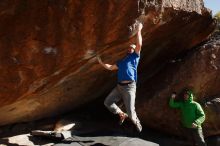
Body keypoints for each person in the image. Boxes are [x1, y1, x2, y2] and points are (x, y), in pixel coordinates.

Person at [97, 23, 143, 132]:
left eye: (133, 47)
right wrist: (101, 62)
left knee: (132, 114)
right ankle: (121, 114)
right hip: (119, 87)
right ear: (128, 50)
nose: (132, 48)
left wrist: (139, 30)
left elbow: (139, 44)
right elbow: (110, 67)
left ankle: (136, 121)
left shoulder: (135, 57)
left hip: (130, 88)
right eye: (130, 48)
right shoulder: (121, 61)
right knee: (107, 102)